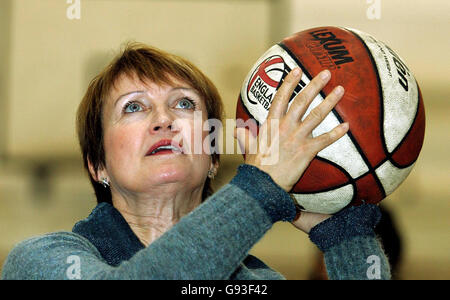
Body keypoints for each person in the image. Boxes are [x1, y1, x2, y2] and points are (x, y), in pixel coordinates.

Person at [1, 43, 391, 280]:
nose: (164, 119)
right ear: (97, 165)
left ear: (212, 158)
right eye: (133, 107)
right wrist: (259, 188)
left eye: (184, 104)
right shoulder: (42, 261)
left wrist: (345, 235)